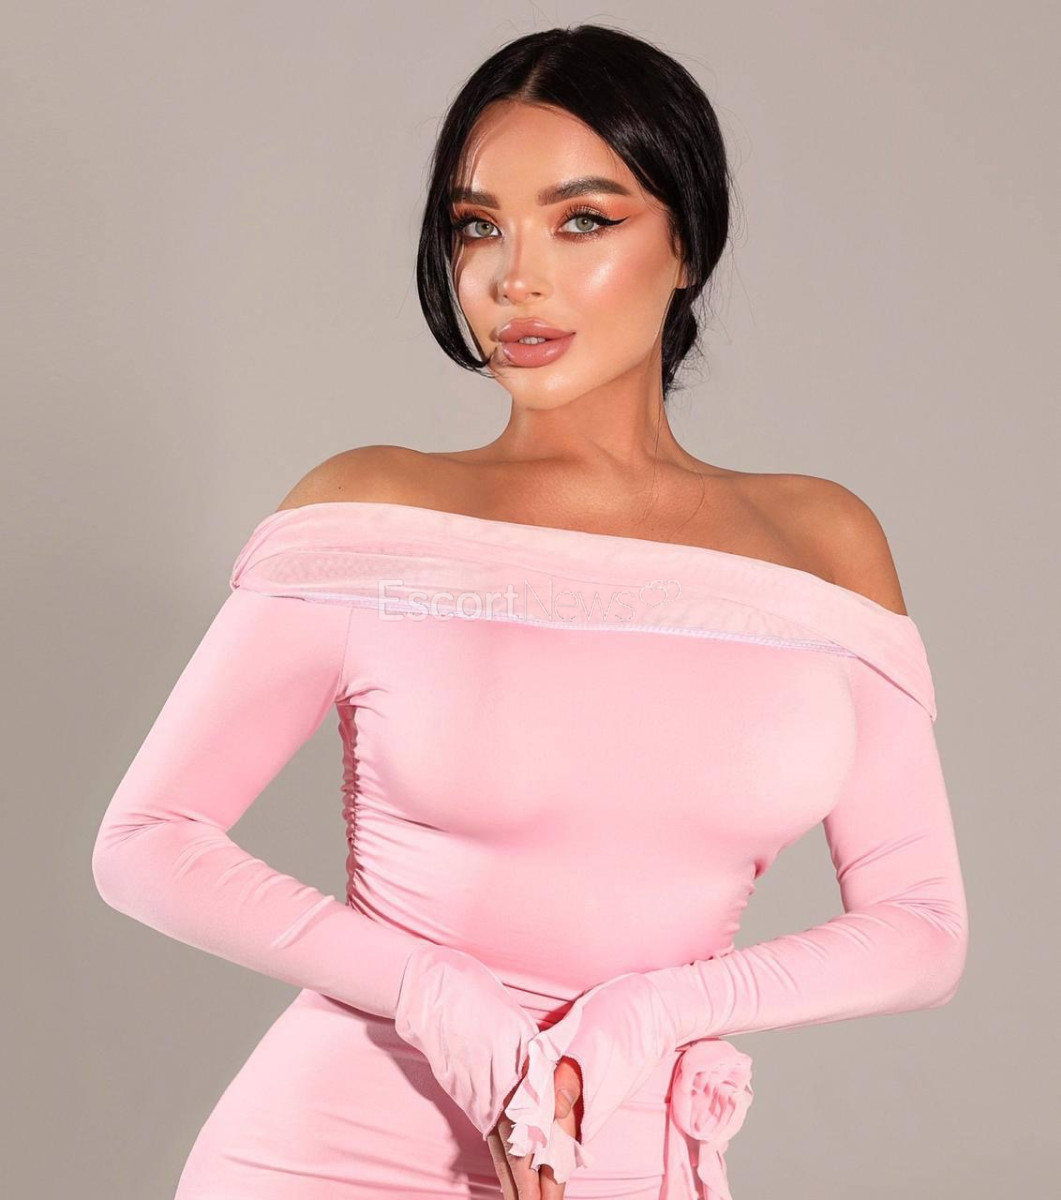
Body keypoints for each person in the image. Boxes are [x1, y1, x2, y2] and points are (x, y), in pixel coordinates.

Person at [91, 23, 968, 1200]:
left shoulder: (820, 543)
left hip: (627, 1152)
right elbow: (146, 841)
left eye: (582, 221)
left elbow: (921, 926)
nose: (515, 278)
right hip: (332, 1154)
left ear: (686, 243)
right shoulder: (376, 514)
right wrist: (435, 996)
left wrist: (648, 1017)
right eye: (476, 225)